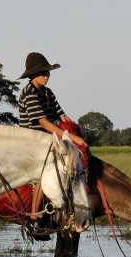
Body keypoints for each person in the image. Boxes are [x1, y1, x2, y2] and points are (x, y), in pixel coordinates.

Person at [17, 52, 87, 220]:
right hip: (31, 141)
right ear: (33, 75)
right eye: (43, 73)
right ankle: (34, 216)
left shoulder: (48, 93)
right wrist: (72, 137)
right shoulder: (29, 93)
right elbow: (44, 123)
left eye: (47, 72)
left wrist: (77, 130)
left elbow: (62, 115)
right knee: (46, 172)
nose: (47, 76)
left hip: (48, 140)